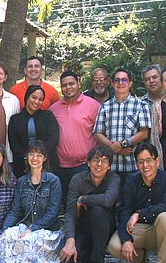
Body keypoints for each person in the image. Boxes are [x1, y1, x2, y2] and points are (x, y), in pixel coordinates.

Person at [0, 140, 63, 263]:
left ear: (44, 158)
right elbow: (15, 210)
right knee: (7, 237)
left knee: (27, 242)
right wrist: (4, 231)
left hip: (47, 230)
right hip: (26, 226)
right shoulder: (22, 181)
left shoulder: (53, 181)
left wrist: (33, 229)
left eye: (39, 155)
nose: (35, 158)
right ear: (27, 157)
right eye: (32, 154)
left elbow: (53, 212)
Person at [107, 143, 166, 263]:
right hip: (138, 229)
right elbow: (125, 212)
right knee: (114, 246)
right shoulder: (131, 182)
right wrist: (126, 240)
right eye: (141, 161)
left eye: (149, 160)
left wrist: (139, 214)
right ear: (136, 164)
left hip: (160, 229)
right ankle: (139, 258)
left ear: (157, 161)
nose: (145, 165)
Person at [59, 146, 120, 263]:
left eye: (104, 161)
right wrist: (70, 240)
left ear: (109, 166)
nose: (99, 164)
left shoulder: (113, 178)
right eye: (95, 160)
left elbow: (108, 200)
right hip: (84, 226)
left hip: (105, 227)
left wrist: (83, 199)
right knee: (71, 258)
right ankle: (89, 256)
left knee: (98, 210)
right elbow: (70, 212)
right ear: (88, 163)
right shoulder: (77, 179)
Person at [93, 68, 151, 189]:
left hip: (133, 165)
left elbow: (144, 133)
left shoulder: (141, 105)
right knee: (112, 202)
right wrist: (115, 147)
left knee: (132, 202)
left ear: (130, 83)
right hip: (110, 166)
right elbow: (97, 133)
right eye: (117, 80)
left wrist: (124, 143)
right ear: (112, 84)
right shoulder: (105, 106)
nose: (120, 83)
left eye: (124, 80)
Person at [49, 71, 101, 200]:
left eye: (71, 83)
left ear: (78, 83)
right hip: (61, 167)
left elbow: (101, 134)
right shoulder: (53, 109)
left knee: (84, 203)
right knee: (66, 204)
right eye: (64, 85)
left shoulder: (93, 106)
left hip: (84, 166)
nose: (68, 88)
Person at [8, 85, 59, 177]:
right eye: (34, 97)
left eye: (40, 99)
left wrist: (39, 156)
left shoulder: (48, 116)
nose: (37, 102)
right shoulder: (15, 119)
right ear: (27, 97)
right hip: (22, 165)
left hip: (47, 164)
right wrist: (28, 158)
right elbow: (14, 144)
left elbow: (54, 139)